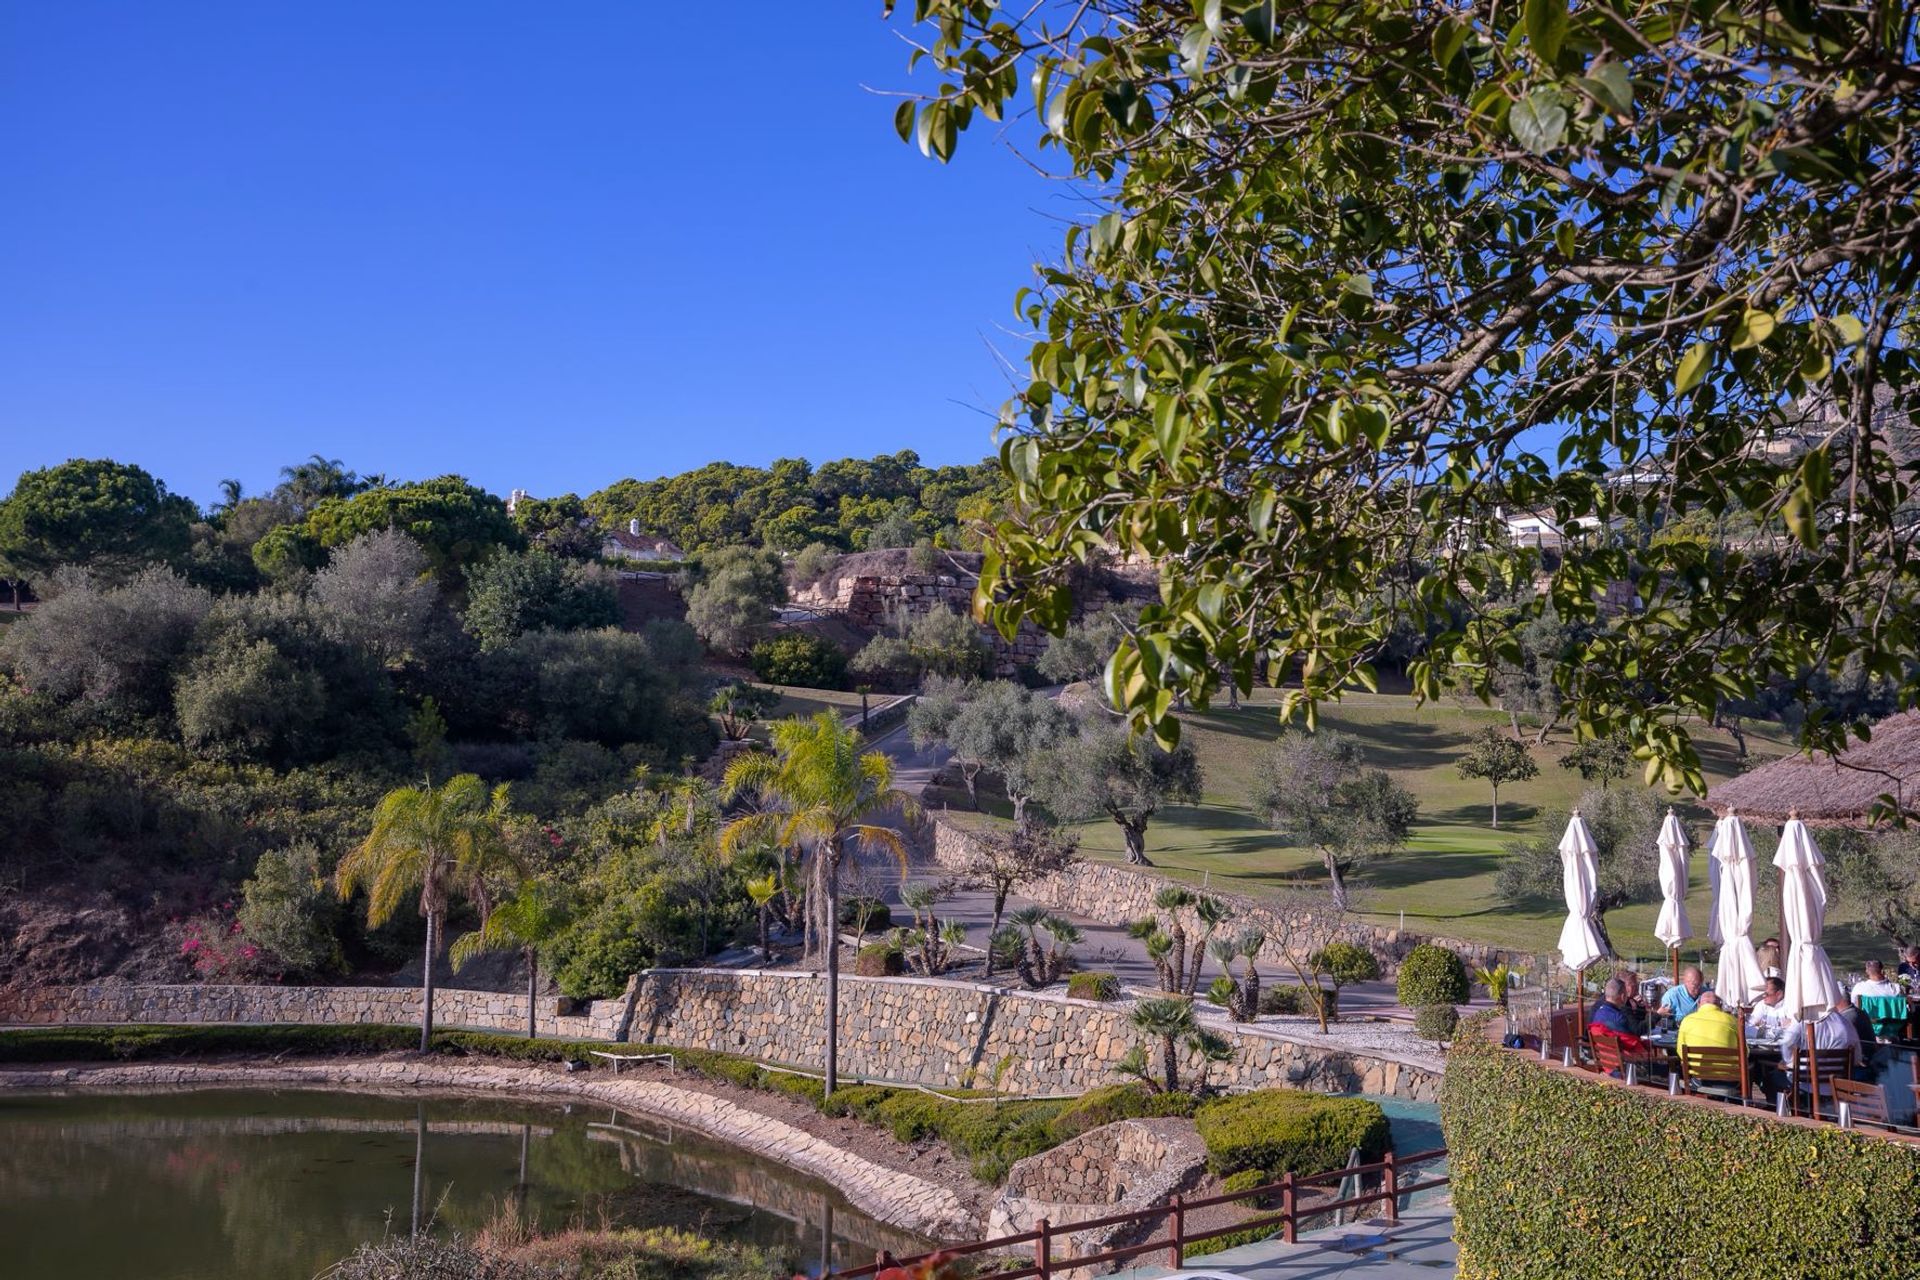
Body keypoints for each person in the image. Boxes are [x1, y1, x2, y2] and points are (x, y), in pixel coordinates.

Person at [1588, 976, 1648, 1054]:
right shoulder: (1620, 1019)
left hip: (1606, 1060)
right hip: (1628, 1063)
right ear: (1623, 996)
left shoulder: (1598, 1013)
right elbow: (1635, 1038)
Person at [1675, 990, 1740, 1056]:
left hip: (1695, 1065)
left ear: (1698, 1004)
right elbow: (1744, 1051)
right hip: (1729, 1066)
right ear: (1720, 1005)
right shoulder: (1733, 1020)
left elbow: (1680, 1050)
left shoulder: (1687, 1020)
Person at [1616, 969, 1651, 1035]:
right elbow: (1638, 1030)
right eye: (1633, 985)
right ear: (1624, 986)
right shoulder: (1621, 1005)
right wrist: (1657, 1014)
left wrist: (1641, 1007)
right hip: (1625, 1042)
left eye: (1637, 985)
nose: (1637, 988)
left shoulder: (1627, 1001)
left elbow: (1637, 1023)